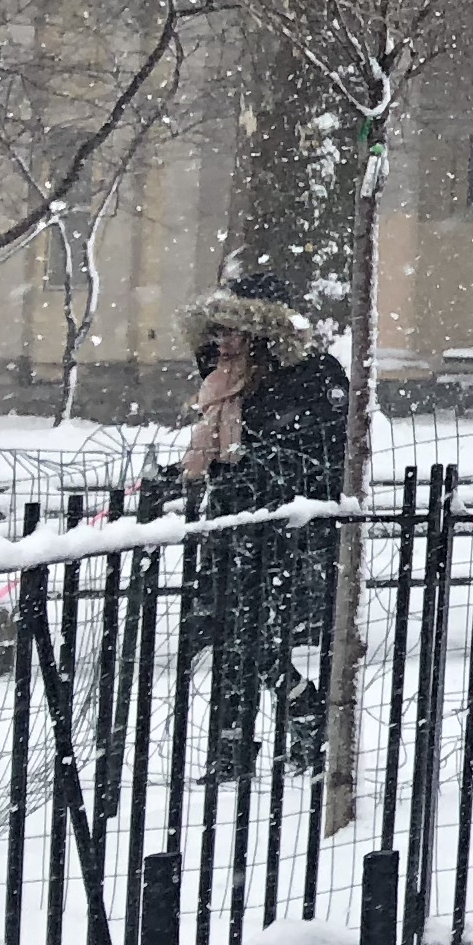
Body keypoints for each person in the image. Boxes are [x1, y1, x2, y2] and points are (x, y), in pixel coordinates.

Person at [175, 272, 345, 773]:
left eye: (234, 330)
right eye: (218, 329)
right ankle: (233, 746)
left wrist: (264, 470)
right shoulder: (226, 382)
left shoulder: (312, 376)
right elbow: (218, 455)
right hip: (231, 528)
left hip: (289, 535)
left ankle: (306, 717)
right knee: (228, 633)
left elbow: (326, 455)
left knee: (257, 639)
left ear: (263, 333)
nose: (222, 340)